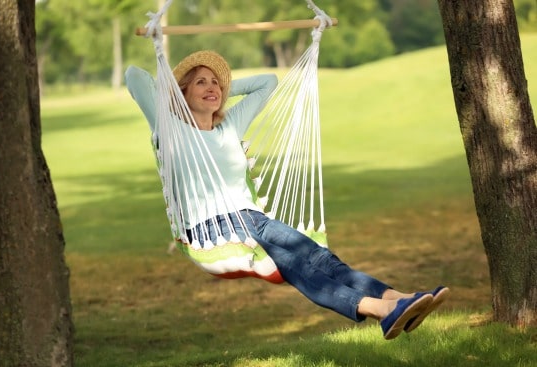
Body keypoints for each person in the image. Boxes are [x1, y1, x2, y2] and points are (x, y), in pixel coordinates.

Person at [125, 50, 450, 340]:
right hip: (215, 230)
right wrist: (178, 98)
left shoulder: (229, 127)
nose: (212, 87)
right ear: (182, 93)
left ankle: (399, 299)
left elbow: (267, 82)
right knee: (296, 265)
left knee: (322, 258)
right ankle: (379, 311)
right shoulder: (169, 131)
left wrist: (222, 93)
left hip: (255, 219)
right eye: (200, 83)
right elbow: (134, 77)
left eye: (216, 83)